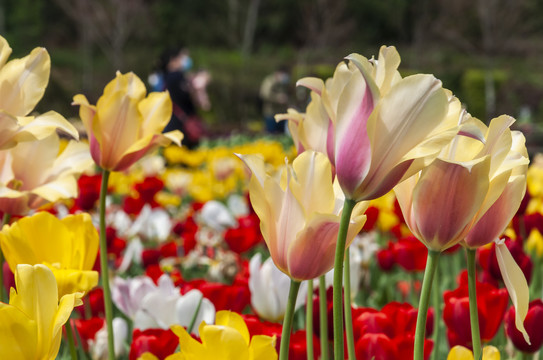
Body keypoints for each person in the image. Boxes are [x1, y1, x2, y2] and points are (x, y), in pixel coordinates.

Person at [157, 46, 205, 148]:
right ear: (172, 61)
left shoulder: (164, 77)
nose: (183, 61)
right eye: (180, 57)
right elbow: (187, 98)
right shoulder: (177, 76)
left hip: (171, 123)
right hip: (182, 126)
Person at [259, 66, 291, 134]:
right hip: (271, 113)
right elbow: (264, 94)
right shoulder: (269, 81)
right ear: (277, 73)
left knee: (282, 135)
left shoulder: (284, 84)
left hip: (282, 113)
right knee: (271, 134)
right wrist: (277, 98)